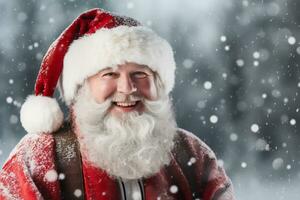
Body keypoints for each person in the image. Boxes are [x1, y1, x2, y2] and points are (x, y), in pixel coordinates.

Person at [0, 8, 235, 200]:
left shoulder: (192, 155)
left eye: (140, 74)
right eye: (109, 74)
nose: (127, 88)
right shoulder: (38, 158)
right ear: (82, 86)